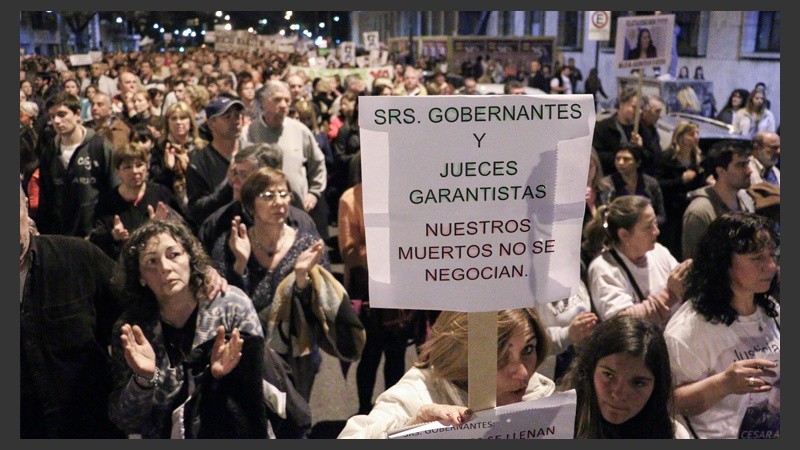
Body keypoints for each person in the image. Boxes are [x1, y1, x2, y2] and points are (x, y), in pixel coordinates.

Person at [106, 219, 296, 438]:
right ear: (140, 277)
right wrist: (145, 380)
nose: (165, 268)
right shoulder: (133, 330)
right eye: (151, 262)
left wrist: (219, 379)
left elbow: (262, 395)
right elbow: (126, 422)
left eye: (173, 254)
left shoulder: (231, 305)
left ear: (190, 257)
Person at [211, 166, 363, 401]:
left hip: (298, 358)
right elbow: (223, 308)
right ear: (251, 205)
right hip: (247, 355)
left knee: (296, 422)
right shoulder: (230, 244)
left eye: (283, 194)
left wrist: (302, 278)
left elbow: (320, 308)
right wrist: (240, 266)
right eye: (268, 196)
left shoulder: (307, 243)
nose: (279, 202)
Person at [338, 308, 555, 439]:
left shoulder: (539, 395)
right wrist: (407, 434)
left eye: (528, 349)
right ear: (461, 356)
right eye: (498, 357)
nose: (523, 372)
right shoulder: (418, 395)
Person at [20, 185, 125, 438]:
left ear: (25, 205)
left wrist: (197, 279)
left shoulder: (77, 258)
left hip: (91, 427)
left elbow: (137, 299)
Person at [664, 212, 779, 439]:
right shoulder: (687, 330)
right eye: (756, 258)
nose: (770, 266)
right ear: (724, 262)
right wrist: (724, 384)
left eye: (772, 256)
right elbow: (668, 403)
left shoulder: (769, 308)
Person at [560, 315, 691, 438]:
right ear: (589, 371)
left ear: (657, 386)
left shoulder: (675, 435)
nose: (619, 394)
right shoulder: (554, 427)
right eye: (608, 375)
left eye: (638, 383)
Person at [584, 195, 692, 329]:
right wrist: (669, 295)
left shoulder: (659, 251)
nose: (656, 231)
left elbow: (686, 291)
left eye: (655, 223)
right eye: (648, 227)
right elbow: (621, 322)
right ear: (624, 235)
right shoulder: (603, 268)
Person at [240, 80, 329, 241]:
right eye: (277, 100)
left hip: (297, 213)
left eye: (287, 100)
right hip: (260, 217)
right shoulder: (249, 133)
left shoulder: (299, 130)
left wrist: (314, 193)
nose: (283, 105)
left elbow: (318, 163)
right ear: (262, 103)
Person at [36, 91, 120, 237]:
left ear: (78, 114)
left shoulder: (99, 147)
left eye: (62, 114)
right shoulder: (49, 151)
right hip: (61, 236)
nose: (56, 121)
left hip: (95, 236)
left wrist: (103, 230)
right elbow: (46, 199)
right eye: (52, 116)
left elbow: (115, 192)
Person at [89, 141, 186, 260]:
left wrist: (161, 226)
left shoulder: (161, 194)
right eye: (127, 167)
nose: (134, 171)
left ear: (147, 166)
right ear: (118, 171)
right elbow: (95, 243)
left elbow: (184, 232)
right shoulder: (107, 203)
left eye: (139, 165)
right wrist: (113, 236)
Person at [682, 140, 754, 261]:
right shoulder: (700, 212)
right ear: (720, 171)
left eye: (747, 163)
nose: (749, 170)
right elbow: (693, 265)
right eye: (741, 165)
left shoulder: (746, 202)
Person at [185, 96, 245, 226]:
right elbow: (197, 210)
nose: (236, 121)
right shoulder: (199, 163)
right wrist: (228, 186)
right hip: (218, 232)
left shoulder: (252, 154)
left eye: (237, 115)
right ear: (211, 123)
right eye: (227, 117)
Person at [655, 121, 711, 261]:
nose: (696, 137)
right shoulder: (667, 157)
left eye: (697, 133)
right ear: (680, 136)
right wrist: (680, 180)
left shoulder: (698, 159)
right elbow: (658, 184)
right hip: (672, 210)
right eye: (691, 134)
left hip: (689, 207)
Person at [598, 145, 667, 226]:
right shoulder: (606, 183)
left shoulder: (651, 183)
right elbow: (605, 213)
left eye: (626, 159)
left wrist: (647, 223)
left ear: (638, 162)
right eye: (618, 159)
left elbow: (661, 216)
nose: (621, 163)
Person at [592, 87, 645, 176]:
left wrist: (640, 149)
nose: (639, 111)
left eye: (641, 108)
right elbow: (597, 156)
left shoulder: (641, 128)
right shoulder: (603, 128)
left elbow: (652, 157)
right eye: (634, 107)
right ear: (622, 104)